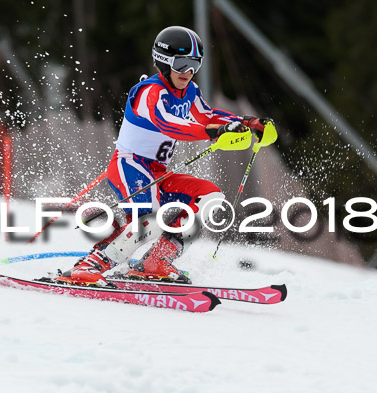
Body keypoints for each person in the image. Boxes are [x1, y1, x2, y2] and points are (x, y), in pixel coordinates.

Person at [57, 26, 274, 287]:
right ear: (164, 61)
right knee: (149, 220)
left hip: (159, 172)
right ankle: (89, 266)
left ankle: (156, 262)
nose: (188, 72)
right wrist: (214, 132)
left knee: (210, 198)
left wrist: (248, 123)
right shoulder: (150, 91)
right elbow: (169, 124)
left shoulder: (189, 90)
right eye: (182, 64)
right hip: (130, 166)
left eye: (195, 64)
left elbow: (207, 115)